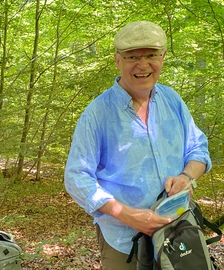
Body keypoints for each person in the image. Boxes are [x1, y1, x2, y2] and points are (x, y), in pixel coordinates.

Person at [64, 21, 211, 270]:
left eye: (151, 55)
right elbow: (76, 176)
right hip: (125, 241)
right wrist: (127, 214)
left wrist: (187, 177)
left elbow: (198, 149)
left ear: (163, 57)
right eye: (133, 56)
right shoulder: (97, 113)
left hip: (178, 231)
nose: (143, 65)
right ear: (117, 60)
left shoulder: (172, 100)